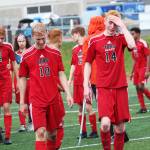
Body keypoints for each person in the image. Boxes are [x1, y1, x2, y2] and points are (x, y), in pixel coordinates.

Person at [84, 10, 138, 150]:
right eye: (110, 22)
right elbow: (88, 63)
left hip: (120, 87)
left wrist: (122, 25)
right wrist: (86, 85)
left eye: (115, 23)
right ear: (104, 21)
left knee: (120, 128)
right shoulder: (95, 40)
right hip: (104, 87)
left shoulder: (120, 38)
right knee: (105, 124)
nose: (112, 26)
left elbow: (132, 45)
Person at [19, 23, 73, 150]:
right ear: (32, 37)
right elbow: (22, 78)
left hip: (53, 99)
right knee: (40, 132)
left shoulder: (55, 52)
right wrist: (22, 102)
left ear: (46, 34)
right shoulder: (26, 55)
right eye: (38, 39)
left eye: (43, 38)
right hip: (37, 100)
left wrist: (68, 93)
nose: (41, 41)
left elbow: (61, 73)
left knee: (53, 135)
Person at [68, 26, 98, 138]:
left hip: (87, 81)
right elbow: (73, 65)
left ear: (77, 33)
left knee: (89, 106)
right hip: (77, 81)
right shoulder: (74, 49)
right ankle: (83, 132)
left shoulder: (89, 44)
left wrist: (91, 78)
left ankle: (94, 131)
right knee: (80, 107)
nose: (72, 37)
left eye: (73, 35)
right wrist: (70, 80)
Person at [0, 25, 19, 144]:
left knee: (6, 107)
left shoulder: (8, 47)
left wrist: (16, 81)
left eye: (2, 38)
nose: (0, 41)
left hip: (6, 81)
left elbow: (14, 64)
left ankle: (7, 137)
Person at [47, 28, 65, 149]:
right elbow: (51, 74)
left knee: (52, 125)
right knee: (57, 123)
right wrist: (59, 86)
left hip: (51, 91)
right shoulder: (54, 51)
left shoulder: (51, 49)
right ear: (58, 38)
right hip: (52, 92)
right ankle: (55, 146)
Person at [13, 34, 33, 132]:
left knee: (31, 102)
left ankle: (32, 121)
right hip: (20, 80)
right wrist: (16, 82)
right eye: (19, 41)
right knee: (21, 102)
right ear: (17, 42)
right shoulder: (15, 54)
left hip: (30, 80)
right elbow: (15, 69)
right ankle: (22, 124)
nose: (21, 43)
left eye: (23, 41)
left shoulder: (31, 52)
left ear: (26, 41)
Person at [130, 27, 150, 113]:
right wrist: (132, 72)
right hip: (137, 69)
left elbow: (148, 56)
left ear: (138, 34)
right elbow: (134, 59)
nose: (132, 35)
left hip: (143, 67)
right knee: (137, 88)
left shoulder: (143, 43)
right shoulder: (133, 44)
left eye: (133, 33)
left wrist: (148, 70)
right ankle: (143, 108)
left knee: (141, 86)